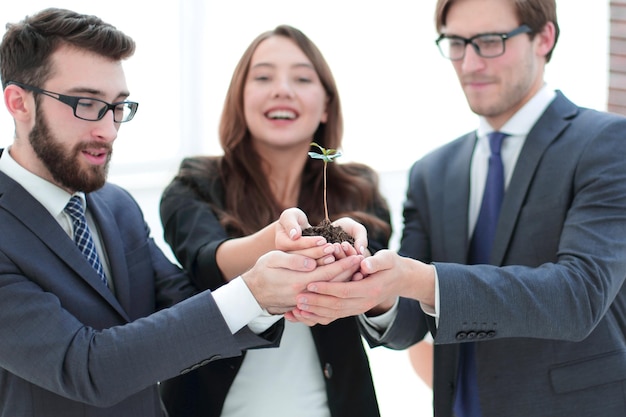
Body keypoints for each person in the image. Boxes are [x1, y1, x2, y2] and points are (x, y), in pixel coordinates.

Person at [0, 9, 365, 417]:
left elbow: (183, 302)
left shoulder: (116, 206)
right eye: (86, 103)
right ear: (20, 102)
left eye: (118, 106)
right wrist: (255, 291)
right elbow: (86, 367)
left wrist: (277, 291)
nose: (109, 130)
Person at [284, 0, 626, 416]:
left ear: (544, 38)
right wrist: (371, 285)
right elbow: (409, 320)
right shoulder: (433, 172)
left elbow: (579, 296)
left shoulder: (607, 144)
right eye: (457, 43)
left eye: (490, 41)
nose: (469, 63)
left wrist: (420, 279)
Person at [158, 24, 391, 417]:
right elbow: (205, 260)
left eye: (301, 78)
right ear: (240, 98)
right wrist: (277, 243)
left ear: (327, 106)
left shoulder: (359, 191)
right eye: (263, 76)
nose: (282, 89)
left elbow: (378, 291)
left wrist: (358, 261)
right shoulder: (194, 183)